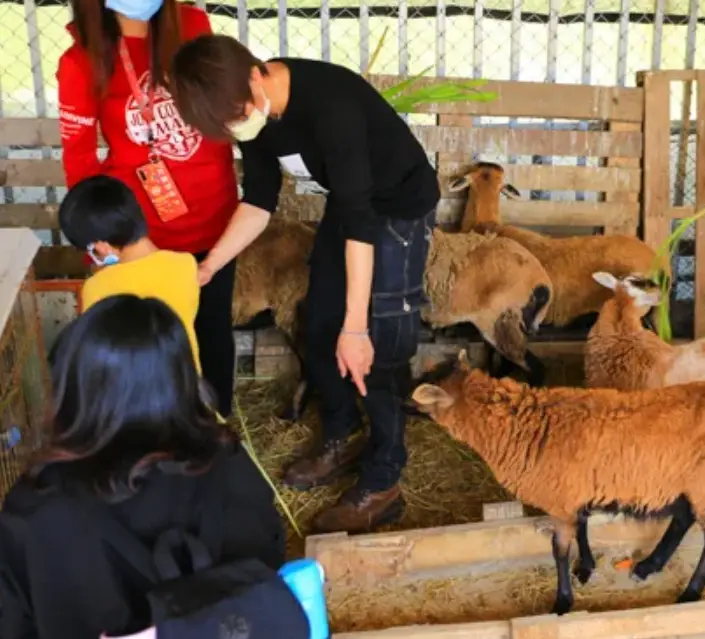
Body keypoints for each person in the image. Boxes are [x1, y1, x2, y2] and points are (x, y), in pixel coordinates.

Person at [169, 33, 441, 534]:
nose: (236, 127)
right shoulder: (251, 119)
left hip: (397, 205)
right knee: (316, 325)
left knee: (378, 345)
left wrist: (356, 329)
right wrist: (209, 266)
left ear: (257, 74)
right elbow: (259, 199)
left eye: (236, 114)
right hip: (351, 201)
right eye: (225, 126)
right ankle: (343, 433)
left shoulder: (328, 105)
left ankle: (384, 480)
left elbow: (362, 222)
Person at [0, 295, 285, 639]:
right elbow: (270, 577)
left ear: (71, 387)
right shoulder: (232, 468)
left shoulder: (33, 512)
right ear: (183, 379)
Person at [58, 0, 239, 415]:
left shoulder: (194, 27)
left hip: (215, 219)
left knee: (212, 331)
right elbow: (79, 156)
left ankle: (217, 431)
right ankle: (161, 441)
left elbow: (228, 103)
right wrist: (100, 237)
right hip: (143, 235)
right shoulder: (82, 61)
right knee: (155, 342)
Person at [58, 174, 202, 373]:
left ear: (103, 246)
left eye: (91, 251)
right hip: (183, 385)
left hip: (127, 392)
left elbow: (97, 346)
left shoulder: (97, 287)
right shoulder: (185, 264)